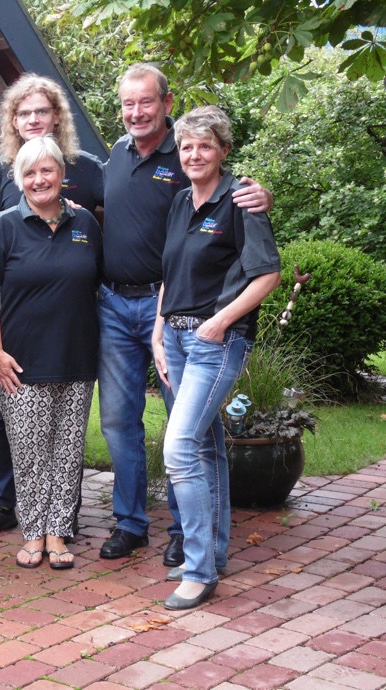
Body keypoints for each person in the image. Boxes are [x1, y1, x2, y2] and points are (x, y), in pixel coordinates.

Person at [98, 63, 273, 564]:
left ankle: (184, 532)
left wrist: (263, 196)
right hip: (121, 306)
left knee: (184, 428)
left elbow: (237, 201)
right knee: (117, 420)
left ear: (167, 104)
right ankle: (131, 524)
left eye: (146, 102)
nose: (136, 112)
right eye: (128, 104)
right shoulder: (114, 155)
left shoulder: (186, 154)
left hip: (187, 315)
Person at [0, 73, 104, 540]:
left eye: (40, 111)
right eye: (23, 114)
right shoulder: (4, 173)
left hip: (71, 333)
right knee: (13, 425)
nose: (32, 120)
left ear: (56, 116)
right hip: (20, 333)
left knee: (64, 437)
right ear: (13, 121)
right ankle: (8, 506)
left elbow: (118, 216)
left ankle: (60, 520)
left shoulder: (86, 170)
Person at [152, 105, 281, 609]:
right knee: (206, 449)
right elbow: (170, 274)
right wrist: (159, 333)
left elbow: (267, 274)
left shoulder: (242, 201)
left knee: (179, 449)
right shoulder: (180, 202)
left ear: (224, 150)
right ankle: (216, 554)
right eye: (186, 146)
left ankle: (200, 571)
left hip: (216, 342)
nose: (194, 154)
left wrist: (222, 320)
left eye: (205, 145)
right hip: (178, 342)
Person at [0, 136, 102, 569]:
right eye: (30, 173)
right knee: (31, 453)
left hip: (76, 355)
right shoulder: (4, 227)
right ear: (19, 180)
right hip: (20, 361)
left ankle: (58, 534)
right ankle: (32, 534)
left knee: (68, 451)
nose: (39, 180)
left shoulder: (86, 225)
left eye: (47, 170)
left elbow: (95, 285)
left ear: (62, 174)